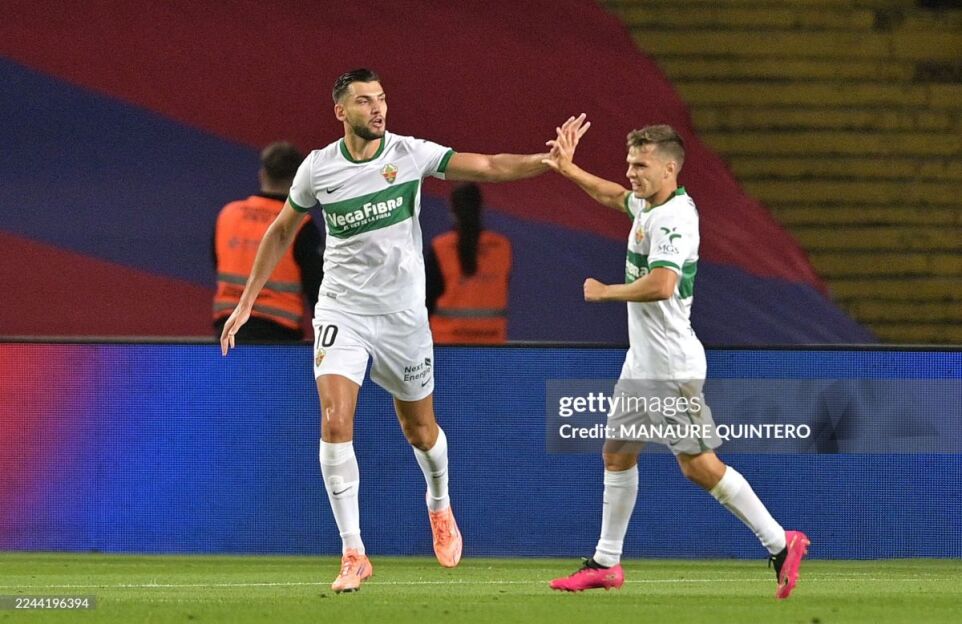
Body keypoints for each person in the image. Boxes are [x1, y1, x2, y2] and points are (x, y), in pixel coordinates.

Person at [219, 68, 583, 593]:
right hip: (342, 312)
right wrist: (247, 300)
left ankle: (439, 504)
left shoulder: (410, 154)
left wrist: (545, 161)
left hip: (402, 319)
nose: (378, 108)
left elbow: (487, 165)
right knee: (334, 421)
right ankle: (353, 553)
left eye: (382, 98)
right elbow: (281, 231)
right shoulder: (318, 168)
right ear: (341, 111)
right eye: (364, 101)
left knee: (421, 431)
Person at [543, 122, 810, 599]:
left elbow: (663, 284)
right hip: (643, 362)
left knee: (699, 467)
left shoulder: (675, 219)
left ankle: (779, 542)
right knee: (617, 453)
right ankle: (606, 562)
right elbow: (613, 196)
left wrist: (607, 292)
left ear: (669, 168)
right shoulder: (647, 205)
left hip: (669, 366)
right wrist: (568, 169)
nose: (630, 173)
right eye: (629, 163)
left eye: (640, 165)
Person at [212, 142, 324, 341]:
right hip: (278, 337)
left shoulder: (228, 214)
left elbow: (217, 263)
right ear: (298, 179)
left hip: (228, 332)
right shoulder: (300, 224)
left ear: (262, 174)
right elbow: (317, 288)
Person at [426, 183, 512, 344]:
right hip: (492, 342)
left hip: (447, 343)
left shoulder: (441, 247)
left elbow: (427, 299)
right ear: (481, 208)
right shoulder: (502, 246)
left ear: (452, 209)